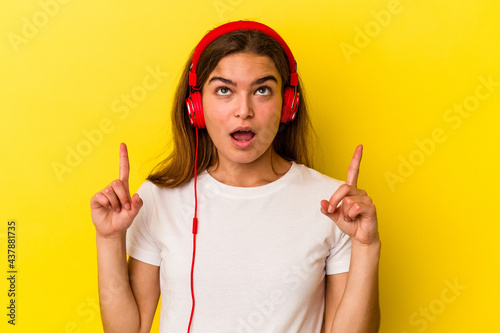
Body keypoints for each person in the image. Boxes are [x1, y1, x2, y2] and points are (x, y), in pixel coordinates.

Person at [90, 21, 380, 333]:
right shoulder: (158, 198)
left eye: (262, 90)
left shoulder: (334, 205)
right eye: (224, 90)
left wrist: (366, 246)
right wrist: (109, 239)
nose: (244, 110)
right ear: (196, 107)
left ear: (288, 105)